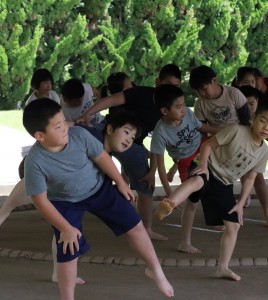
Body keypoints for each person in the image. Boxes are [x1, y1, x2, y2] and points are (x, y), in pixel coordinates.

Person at [22, 99, 174, 298]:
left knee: (135, 224)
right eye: (58, 127)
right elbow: (41, 202)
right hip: (64, 202)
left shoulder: (79, 135)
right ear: (40, 136)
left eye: (64, 121)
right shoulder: (35, 161)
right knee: (68, 249)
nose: (66, 128)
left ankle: (155, 269)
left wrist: (119, 182)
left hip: (99, 189)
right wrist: (65, 228)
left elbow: (101, 157)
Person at [0, 110, 142, 284]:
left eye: (132, 137)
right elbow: (68, 127)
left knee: (63, 224)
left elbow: (104, 162)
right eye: (126, 133)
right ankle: (3, 214)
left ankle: (58, 273)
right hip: (42, 168)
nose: (129, 140)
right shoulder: (88, 135)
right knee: (34, 207)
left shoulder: (100, 149)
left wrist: (121, 182)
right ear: (111, 129)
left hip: (61, 181)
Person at [155, 99, 268, 280]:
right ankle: (170, 203)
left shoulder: (263, 152)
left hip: (224, 183)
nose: (266, 127)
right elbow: (207, 145)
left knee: (233, 226)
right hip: (207, 167)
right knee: (198, 183)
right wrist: (202, 165)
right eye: (263, 120)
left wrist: (241, 203)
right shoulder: (236, 131)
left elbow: (250, 177)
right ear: (254, 117)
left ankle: (223, 267)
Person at [76, 64, 182, 241]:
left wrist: (152, 172)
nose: (171, 89)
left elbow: (158, 144)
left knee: (146, 187)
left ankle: (146, 229)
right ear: (158, 82)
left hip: (133, 145)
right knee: (82, 151)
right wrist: (87, 114)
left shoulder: (168, 110)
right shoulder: (142, 92)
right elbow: (110, 100)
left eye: (176, 86)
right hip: (108, 131)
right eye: (168, 83)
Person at [190, 65, 268, 227]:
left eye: (203, 89)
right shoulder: (200, 104)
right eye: (197, 92)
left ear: (214, 81)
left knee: (256, 176)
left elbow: (245, 119)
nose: (201, 94)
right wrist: (222, 131)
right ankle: (219, 216)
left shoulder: (233, 94)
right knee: (219, 180)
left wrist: (243, 138)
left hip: (241, 137)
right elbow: (201, 127)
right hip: (220, 144)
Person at [151, 84, 216, 254]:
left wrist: (223, 131)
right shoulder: (160, 133)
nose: (184, 109)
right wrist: (167, 191)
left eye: (184, 104)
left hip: (203, 146)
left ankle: (217, 217)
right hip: (185, 160)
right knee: (192, 203)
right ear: (165, 111)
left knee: (218, 180)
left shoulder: (187, 113)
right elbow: (159, 164)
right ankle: (184, 242)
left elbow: (202, 128)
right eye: (178, 107)